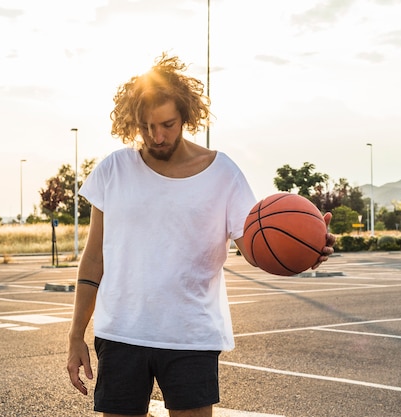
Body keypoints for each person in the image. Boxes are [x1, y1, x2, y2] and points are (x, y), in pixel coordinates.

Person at [66, 53, 335, 417]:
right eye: (147, 127)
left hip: (191, 335)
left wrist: (307, 251)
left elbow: (256, 246)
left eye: (167, 124)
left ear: (186, 117)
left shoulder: (222, 173)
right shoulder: (114, 169)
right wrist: (75, 335)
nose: (157, 136)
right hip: (121, 334)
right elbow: (94, 259)